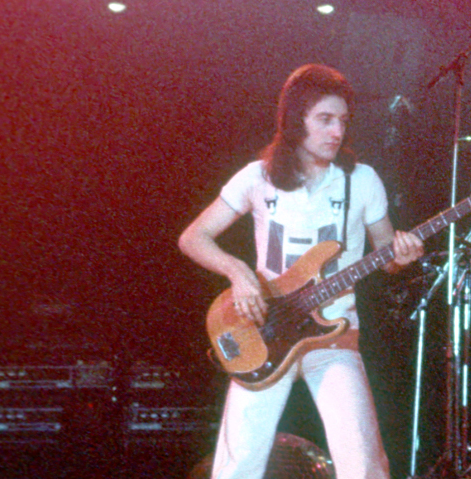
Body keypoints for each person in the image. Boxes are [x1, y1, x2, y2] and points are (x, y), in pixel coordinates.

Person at [179, 64, 424, 479]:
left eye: (342, 121)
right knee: (238, 465)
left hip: (334, 335)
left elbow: (389, 258)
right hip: (265, 331)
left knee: (363, 463)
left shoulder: (362, 181)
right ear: (295, 121)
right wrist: (239, 273)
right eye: (325, 119)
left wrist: (404, 253)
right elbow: (193, 237)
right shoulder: (257, 177)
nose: (337, 131)